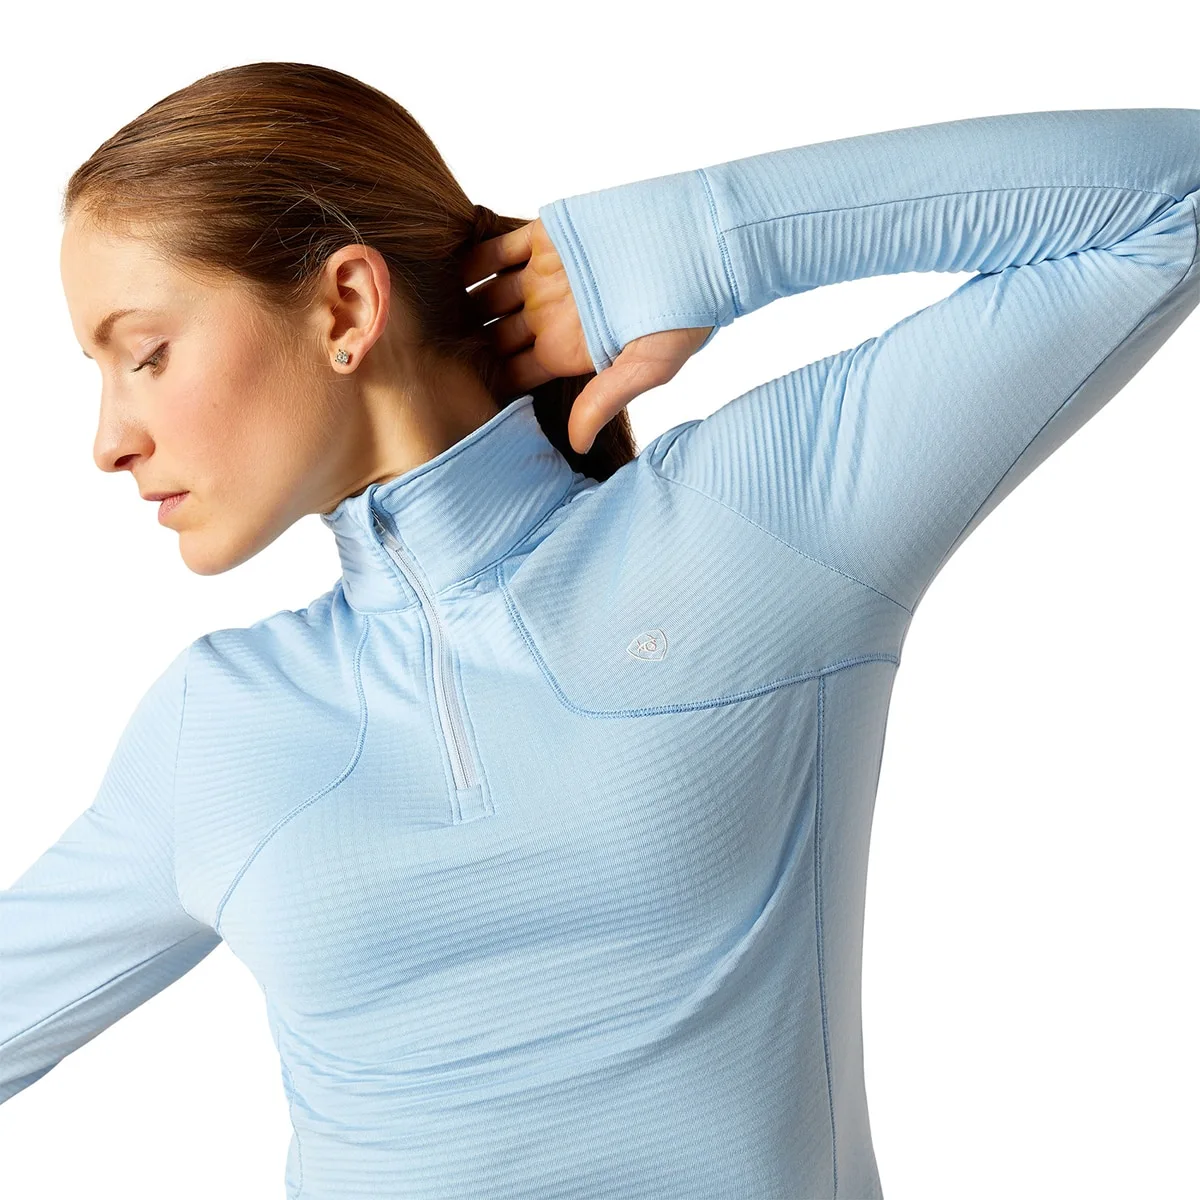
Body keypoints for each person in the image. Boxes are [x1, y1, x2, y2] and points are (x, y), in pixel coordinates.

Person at [1, 59, 1196, 1199]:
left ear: (347, 306)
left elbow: (1174, 199)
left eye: (145, 355)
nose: (108, 440)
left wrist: (699, 244)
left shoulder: (750, 535)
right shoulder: (216, 724)